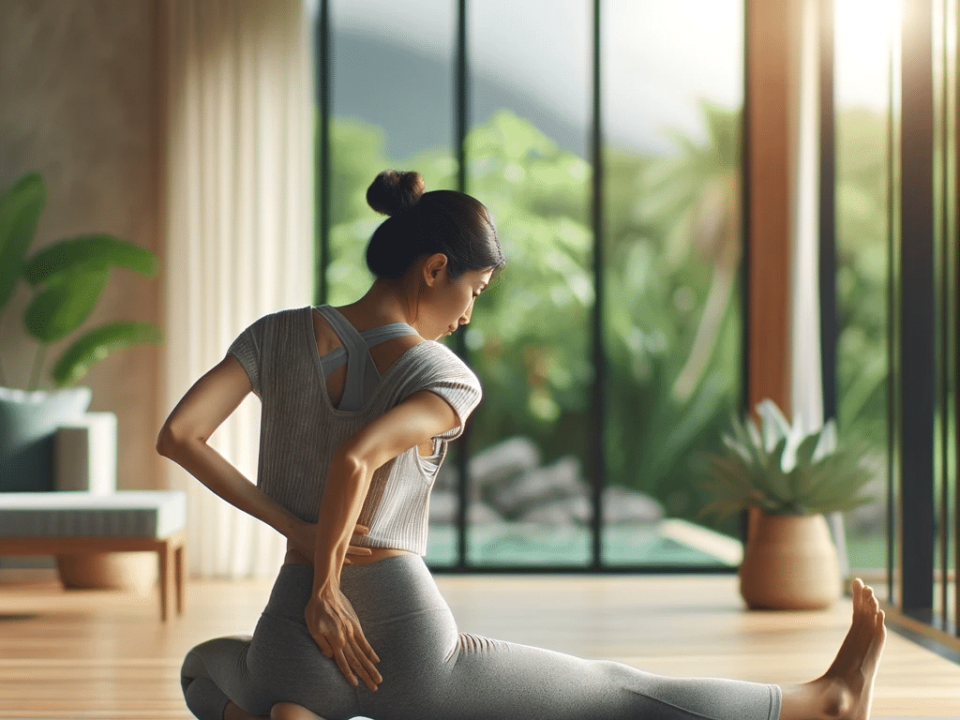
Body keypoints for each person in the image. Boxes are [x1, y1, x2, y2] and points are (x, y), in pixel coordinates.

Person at [158, 170, 886, 720]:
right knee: (608, 692)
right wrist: (332, 588)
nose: (469, 314)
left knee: (203, 668)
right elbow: (358, 457)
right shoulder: (443, 375)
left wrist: (305, 547)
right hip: (399, 642)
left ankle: (294, 712)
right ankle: (822, 703)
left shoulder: (276, 334)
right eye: (474, 290)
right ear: (435, 268)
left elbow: (180, 436)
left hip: (292, 631)